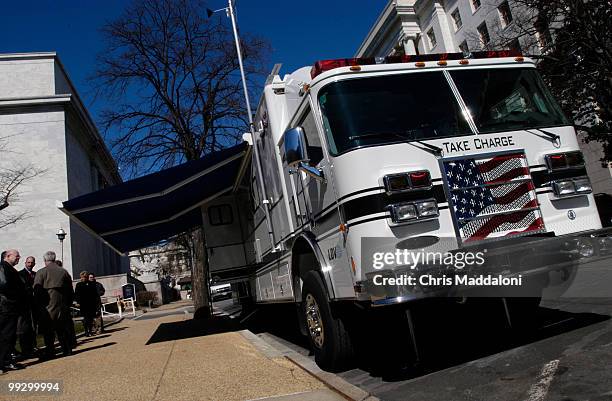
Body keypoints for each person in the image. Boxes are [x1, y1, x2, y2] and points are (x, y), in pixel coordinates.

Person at [33, 251, 74, 359]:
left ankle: (51, 351)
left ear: (45, 260)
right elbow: (70, 290)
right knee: (62, 329)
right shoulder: (63, 272)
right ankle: (67, 349)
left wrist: (38, 305)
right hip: (62, 304)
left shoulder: (41, 272)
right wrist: (68, 303)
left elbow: (37, 290)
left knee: (48, 331)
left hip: (48, 305)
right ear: (54, 259)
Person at [0, 249, 26, 373]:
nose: (19, 258)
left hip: (10, 307)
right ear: (7, 256)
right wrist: (16, 296)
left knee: (8, 335)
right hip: (7, 307)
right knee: (7, 335)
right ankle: (5, 361)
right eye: (16, 256)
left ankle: (5, 360)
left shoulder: (8, 268)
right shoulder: (3, 267)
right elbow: (4, 286)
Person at [17, 256, 37, 357]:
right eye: (28, 263)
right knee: (24, 328)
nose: (30, 264)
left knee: (33, 327)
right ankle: (25, 349)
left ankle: (33, 346)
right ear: (25, 263)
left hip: (33, 304)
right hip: (24, 304)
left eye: (32, 263)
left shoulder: (35, 274)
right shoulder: (20, 274)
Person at [74, 271, 97, 337]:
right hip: (83, 304)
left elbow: (94, 294)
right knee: (86, 318)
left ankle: (90, 330)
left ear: (86, 277)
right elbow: (77, 294)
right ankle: (86, 331)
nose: (82, 278)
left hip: (91, 304)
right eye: (82, 277)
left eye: (84, 277)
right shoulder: (79, 285)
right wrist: (77, 302)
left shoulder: (91, 284)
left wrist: (95, 303)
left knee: (90, 318)